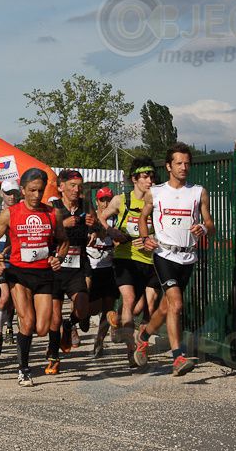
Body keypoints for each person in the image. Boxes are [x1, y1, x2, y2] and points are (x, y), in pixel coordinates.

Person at [133, 143, 215, 376]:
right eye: (179, 163)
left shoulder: (198, 192)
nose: (184, 167)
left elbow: (210, 224)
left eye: (187, 163)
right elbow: (143, 218)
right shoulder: (156, 192)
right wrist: (146, 237)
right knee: (177, 305)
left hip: (187, 256)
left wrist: (203, 228)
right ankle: (178, 357)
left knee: (166, 307)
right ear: (169, 166)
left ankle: (144, 336)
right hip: (164, 254)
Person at [0, 168, 69, 387]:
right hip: (19, 273)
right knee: (28, 321)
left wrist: (58, 257)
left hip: (43, 274)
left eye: (40, 191)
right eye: (31, 190)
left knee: (42, 328)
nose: (36, 195)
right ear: (22, 190)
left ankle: (23, 329)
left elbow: (63, 241)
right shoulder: (10, 213)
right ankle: (23, 369)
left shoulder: (53, 213)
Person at [97, 156, 161, 366]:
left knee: (148, 306)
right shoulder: (121, 199)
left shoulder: (158, 199)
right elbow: (101, 217)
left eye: (152, 176)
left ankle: (127, 331)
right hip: (125, 257)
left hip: (151, 259)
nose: (150, 181)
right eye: (145, 176)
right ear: (134, 179)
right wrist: (112, 231)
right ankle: (132, 351)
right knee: (129, 299)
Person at [48, 169, 96, 373]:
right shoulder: (53, 207)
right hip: (56, 266)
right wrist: (61, 224)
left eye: (79, 186)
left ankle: (70, 325)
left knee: (83, 307)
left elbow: (98, 227)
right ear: (61, 187)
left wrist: (94, 231)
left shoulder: (86, 206)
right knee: (54, 316)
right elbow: (42, 233)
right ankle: (53, 355)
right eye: (72, 186)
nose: (77, 190)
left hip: (78, 263)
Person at [87, 187, 120, 358]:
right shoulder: (91, 220)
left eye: (109, 199)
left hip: (109, 267)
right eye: (102, 199)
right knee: (92, 308)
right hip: (92, 267)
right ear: (97, 201)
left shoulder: (116, 219)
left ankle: (99, 342)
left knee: (108, 307)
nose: (106, 203)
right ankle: (76, 322)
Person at [0, 180, 20, 347]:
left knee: (12, 298)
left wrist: (9, 249)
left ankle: (9, 326)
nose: (11, 196)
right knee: (3, 297)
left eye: (14, 193)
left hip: (14, 257)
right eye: (8, 193)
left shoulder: (21, 211)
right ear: (1, 193)